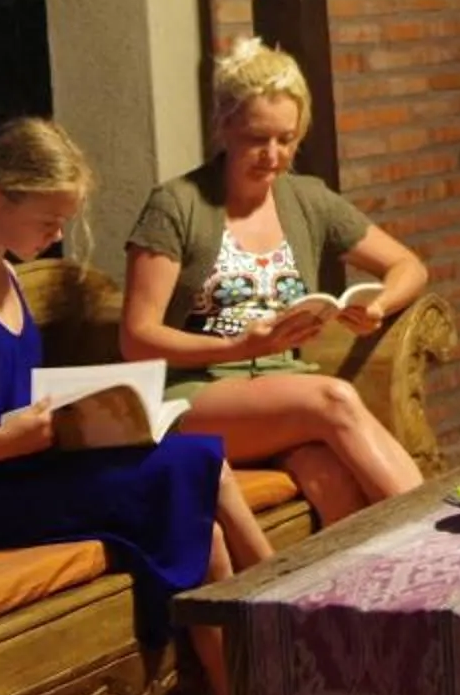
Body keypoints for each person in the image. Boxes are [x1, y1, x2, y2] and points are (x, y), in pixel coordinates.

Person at [0, 117, 274, 695]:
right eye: (48, 221)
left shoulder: (6, 273)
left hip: (26, 465)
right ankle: (296, 631)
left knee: (197, 483)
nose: (57, 235)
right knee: (192, 473)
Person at [123, 38, 432, 524]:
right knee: (333, 399)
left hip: (282, 393)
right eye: (256, 138)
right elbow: (137, 338)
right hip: (193, 395)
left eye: (286, 139)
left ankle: (362, 593)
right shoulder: (176, 204)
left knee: (326, 475)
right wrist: (236, 347)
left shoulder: (307, 200)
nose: (272, 154)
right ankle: (439, 534)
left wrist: (377, 305)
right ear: (225, 127)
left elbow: (408, 266)